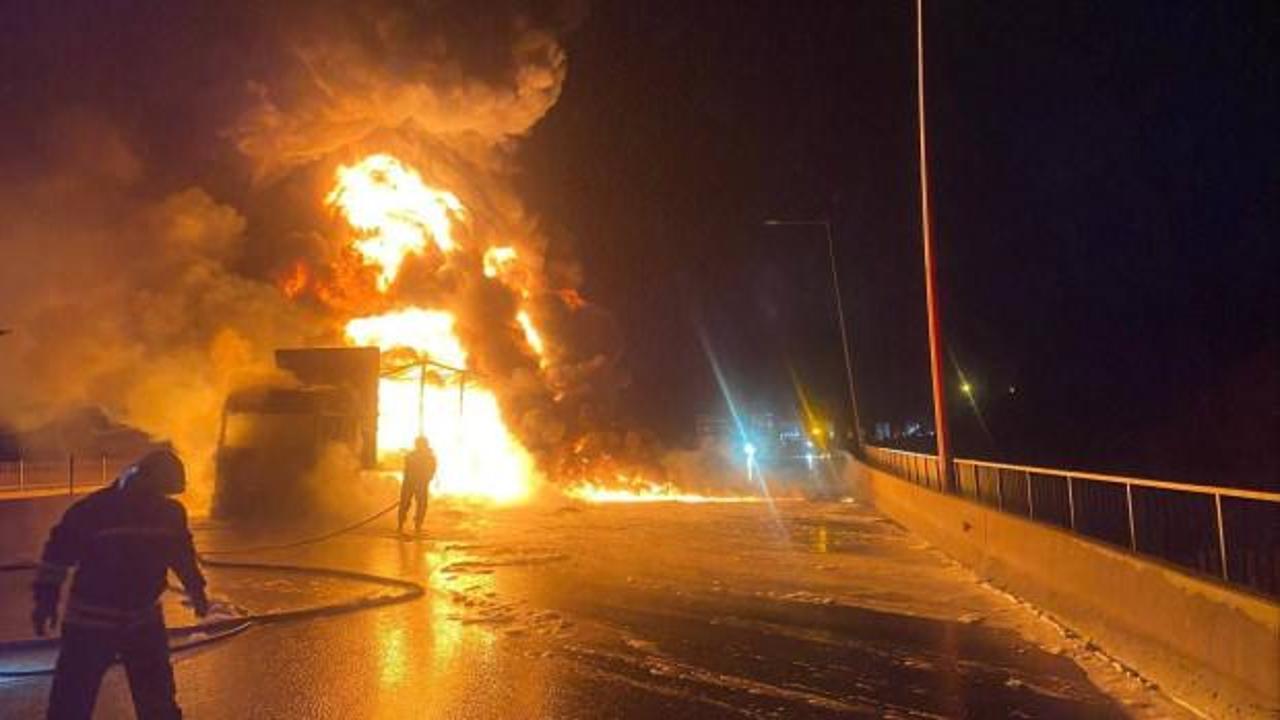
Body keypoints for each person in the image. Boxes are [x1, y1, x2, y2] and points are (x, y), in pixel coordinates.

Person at [32, 449, 208, 720]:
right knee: (72, 704)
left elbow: (181, 555)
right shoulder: (94, 511)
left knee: (157, 705)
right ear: (143, 479)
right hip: (91, 624)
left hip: (141, 620)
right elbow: (57, 556)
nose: (157, 500)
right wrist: (45, 600)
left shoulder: (167, 512)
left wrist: (196, 589)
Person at [398, 436, 436, 536]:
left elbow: (431, 472)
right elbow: (407, 471)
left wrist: (426, 479)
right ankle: (401, 526)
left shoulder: (428, 457)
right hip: (410, 484)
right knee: (406, 504)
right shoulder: (412, 456)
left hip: (418, 484)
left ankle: (416, 526)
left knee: (420, 505)